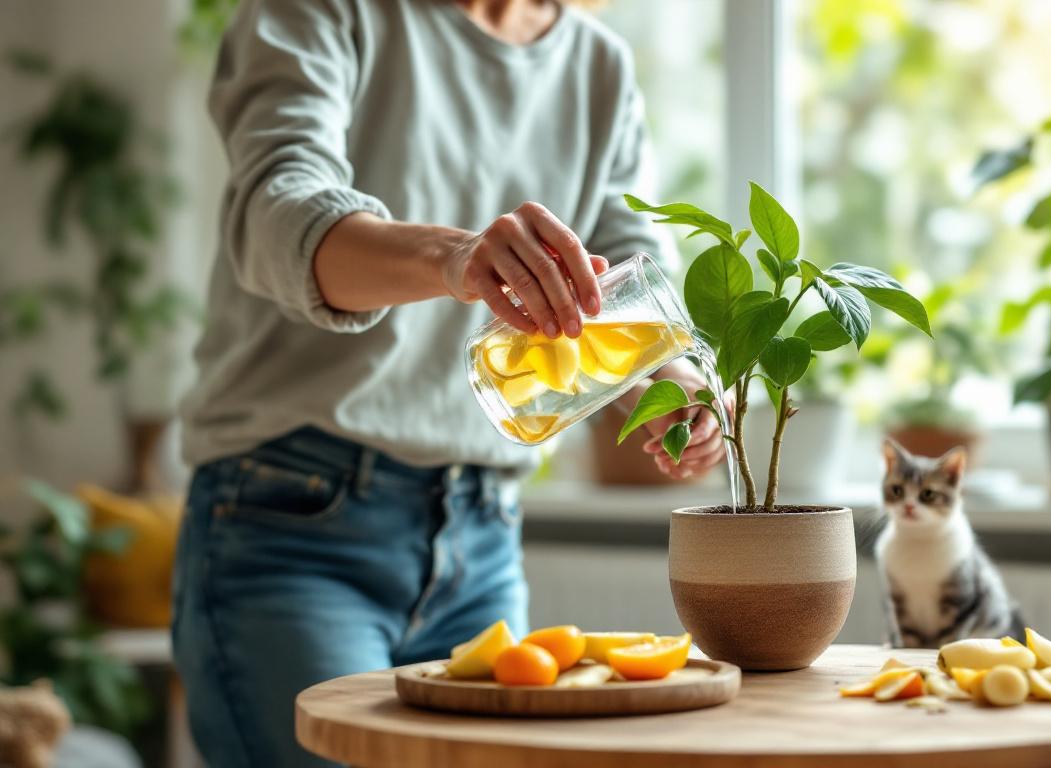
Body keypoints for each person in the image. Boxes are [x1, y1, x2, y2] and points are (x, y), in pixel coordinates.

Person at [170, 1, 725, 764]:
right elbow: (277, 210)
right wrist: (454, 257)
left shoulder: (597, 62)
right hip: (292, 524)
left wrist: (678, 381)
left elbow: (626, 262)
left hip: (483, 539)